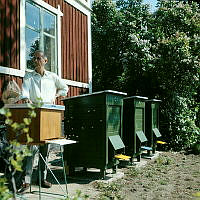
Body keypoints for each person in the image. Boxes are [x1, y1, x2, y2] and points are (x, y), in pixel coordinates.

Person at [18, 50, 69, 193]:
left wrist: (56, 94)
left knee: (45, 149)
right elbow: (25, 90)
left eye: (38, 58)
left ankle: (42, 178)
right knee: (31, 149)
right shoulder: (29, 75)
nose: (35, 61)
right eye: (34, 59)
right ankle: (26, 181)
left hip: (49, 114)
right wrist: (26, 98)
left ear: (45, 61)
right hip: (34, 114)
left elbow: (65, 88)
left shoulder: (52, 77)